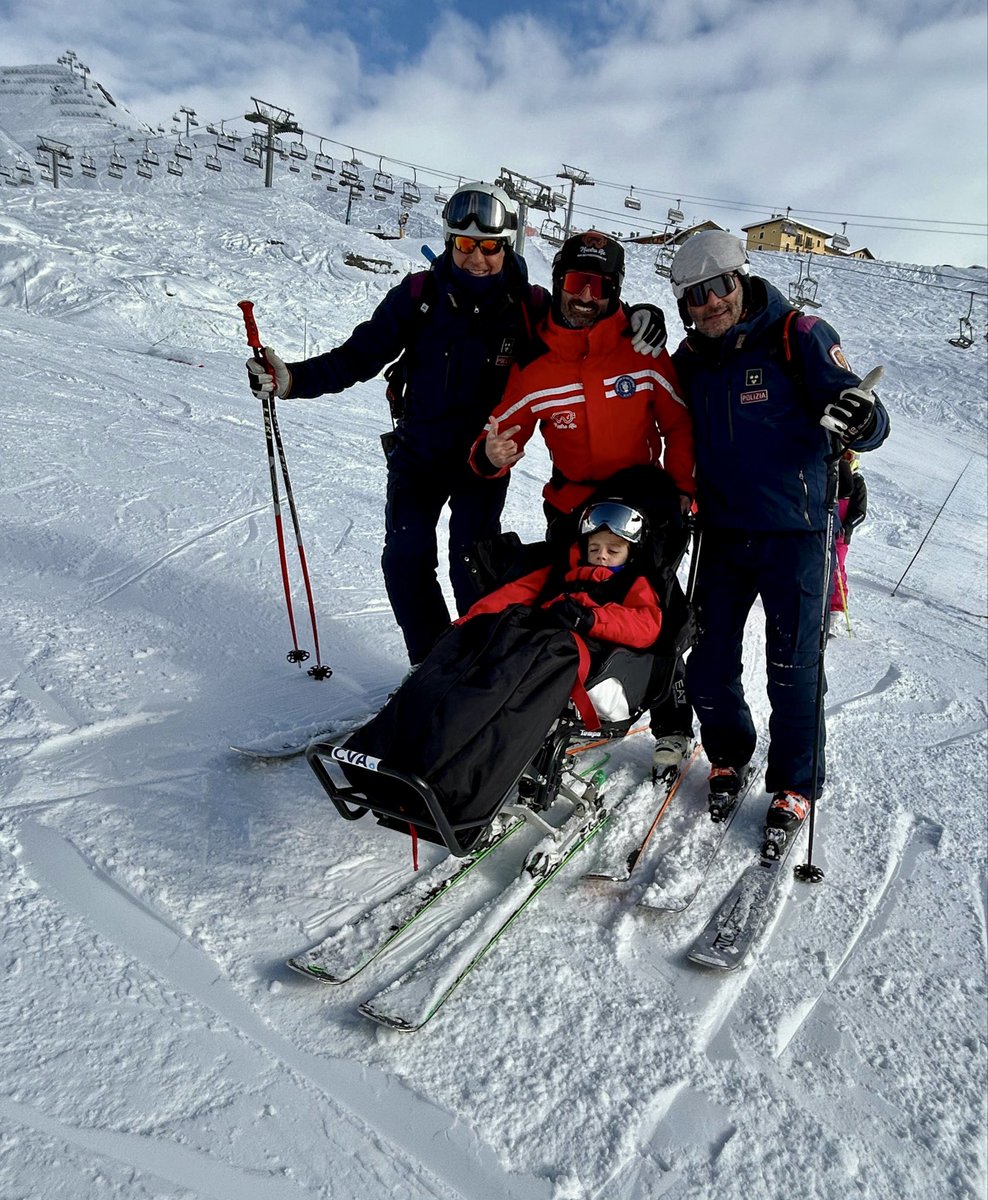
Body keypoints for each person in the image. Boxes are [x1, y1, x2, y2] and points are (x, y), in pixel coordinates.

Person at [245, 184, 667, 668]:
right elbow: (357, 358)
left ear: (505, 245)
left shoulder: (528, 305)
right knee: (405, 558)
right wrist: (292, 379)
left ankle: (481, 667)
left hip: (482, 463)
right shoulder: (417, 296)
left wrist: (640, 314)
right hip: (419, 455)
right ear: (449, 242)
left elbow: (587, 312)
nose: (477, 259)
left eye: (489, 247)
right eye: (464, 245)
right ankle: (433, 665)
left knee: (472, 564)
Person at [667, 229, 890, 841]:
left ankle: (796, 781)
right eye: (694, 295)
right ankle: (729, 755)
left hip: (796, 534)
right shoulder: (690, 361)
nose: (711, 302)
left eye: (720, 286)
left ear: (741, 279)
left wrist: (864, 418)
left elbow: (864, 415)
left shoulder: (799, 336)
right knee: (708, 664)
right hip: (722, 536)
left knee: (793, 667)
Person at [469, 230, 696, 776]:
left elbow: (680, 422)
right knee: (561, 612)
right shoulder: (537, 366)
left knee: (655, 614)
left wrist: (683, 491)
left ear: (615, 291)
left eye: (599, 285)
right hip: (573, 514)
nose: (585, 295)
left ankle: (672, 726)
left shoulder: (642, 350)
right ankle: (547, 713)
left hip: (645, 513)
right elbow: (503, 433)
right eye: (576, 282)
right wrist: (491, 453)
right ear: (559, 283)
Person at [337, 496, 675, 844]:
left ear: (630, 553)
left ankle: (450, 787)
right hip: (527, 639)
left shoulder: (634, 582)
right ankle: (379, 756)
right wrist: (469, 622)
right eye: (596, 547)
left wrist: (590, 618)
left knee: (491, 695)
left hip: (573, 653)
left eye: (613, 550)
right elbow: (514, 593)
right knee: (456, 666)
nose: (602, 555)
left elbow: (645, 625)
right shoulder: (562, 570)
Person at [829, 450, 868, 633]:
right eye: (842, 456)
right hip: (824, 530)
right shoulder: (831, 476)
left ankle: (836, 610)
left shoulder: (857, 482)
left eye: (847, 457)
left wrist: (847, 526)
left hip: (841, 536)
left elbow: (860, 512)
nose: (844, 461)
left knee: (836, 569)